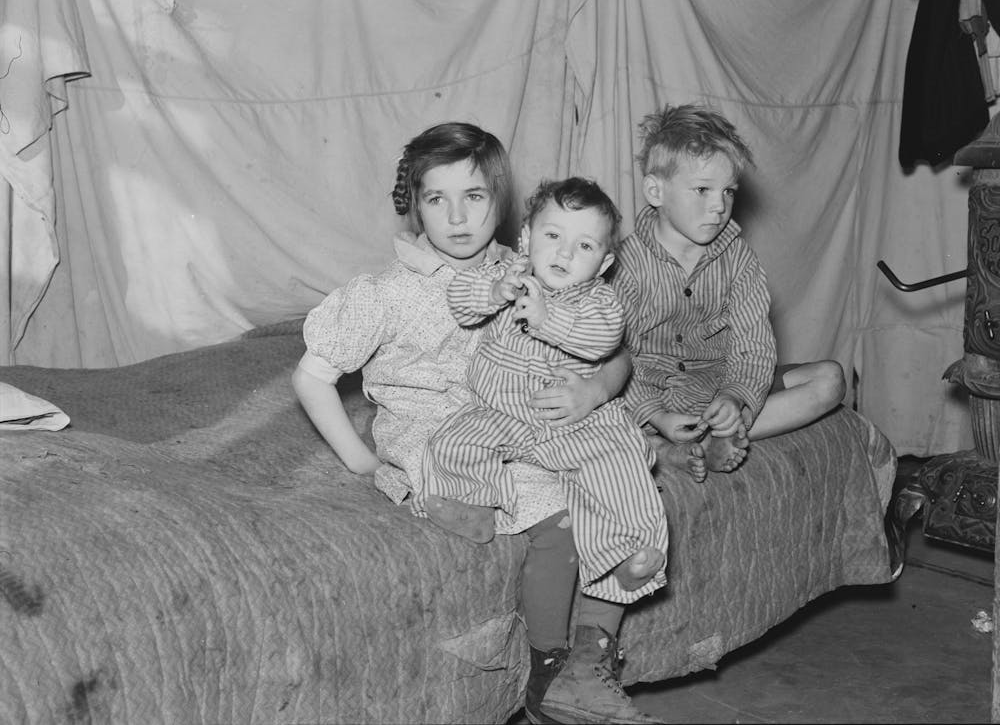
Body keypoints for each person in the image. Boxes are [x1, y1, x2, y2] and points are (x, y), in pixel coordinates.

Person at [292, 123, 660, 725]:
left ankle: (592, 661)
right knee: (558, 511)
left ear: (502, 201)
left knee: (618, 487)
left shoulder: (541, 259)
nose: (458, 217)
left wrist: (593, 389)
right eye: (437, 199)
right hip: (438, 428)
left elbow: (611, 349)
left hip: (528, 417)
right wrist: (363, 460)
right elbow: (311, 378)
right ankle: (550, 671)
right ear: (414, 204)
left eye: (476, 197)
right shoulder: (384, 294)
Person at [415, 176, 669, 609]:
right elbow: (459, 297)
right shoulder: (506, 274)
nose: (565, 253)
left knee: (621, 469)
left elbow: (603, 339)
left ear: (605, 263)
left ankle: (630, 556)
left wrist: (548, 317)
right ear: (528, 237)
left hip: (575, 421)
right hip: (503, 413)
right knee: (450, 441)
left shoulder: (600, 302)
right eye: (553, 236)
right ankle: (475, 506)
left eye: (585, 246)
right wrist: (494, 292)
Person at [612, 103, 847, 482]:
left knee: (831, 379)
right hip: (650, 397)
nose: (719, 206)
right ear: (655, 190)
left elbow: (753, 347)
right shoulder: (625, 265)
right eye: (702, 189)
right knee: (597, 401)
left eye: (729, 191)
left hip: (717, 385)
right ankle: (660, 444)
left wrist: (736, 399)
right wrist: (656, 415)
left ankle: (715, 438)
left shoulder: (739, 259)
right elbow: (613, 358)